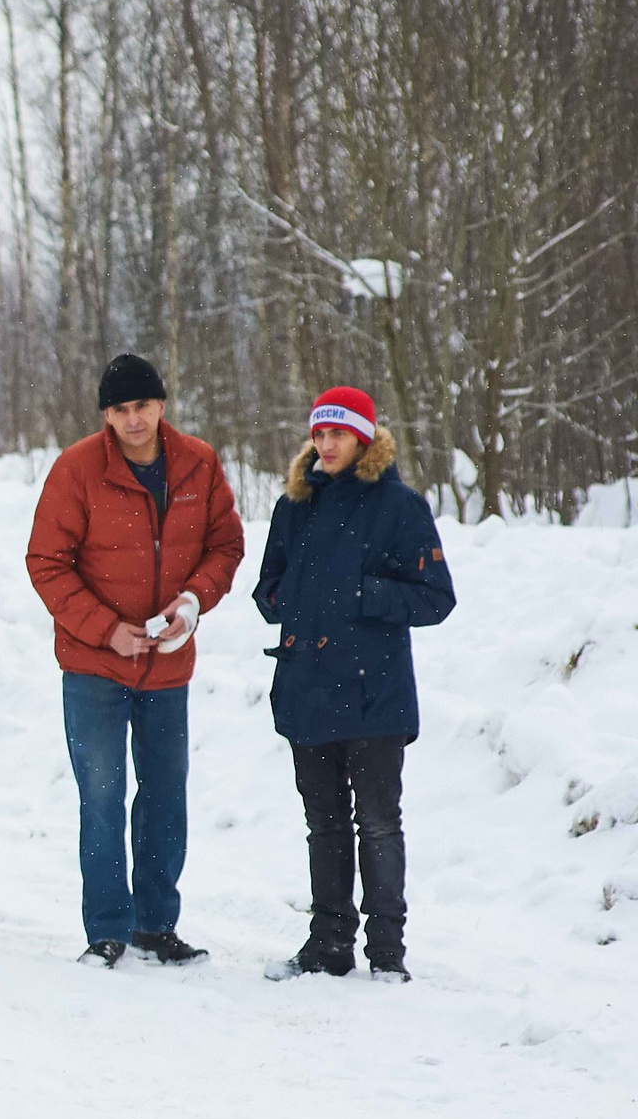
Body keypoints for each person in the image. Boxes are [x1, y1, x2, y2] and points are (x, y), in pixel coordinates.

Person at [27, 353, 244, 967]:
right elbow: (46, 562)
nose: (134, 420)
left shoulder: (199, 463)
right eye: (120, 410)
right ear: (106, 415)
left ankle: (156, 924)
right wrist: (106, 631)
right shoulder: (76, 469)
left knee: (164, 796)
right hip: (94, 666)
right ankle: (107, 929)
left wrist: (193, 602)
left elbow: (225, 545)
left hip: (168, 668)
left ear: (161, 405)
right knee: (101, 795)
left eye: (142, 406)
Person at [254, 386, 455, 982]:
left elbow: (437, 599)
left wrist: (362, 594)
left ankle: (387, 954)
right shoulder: (295, 504)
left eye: (338, 433)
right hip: (307, 687)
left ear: (364, 437)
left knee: (378, 821)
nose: (326, 443)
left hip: (375, 693)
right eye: (319, 433)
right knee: (325, 823)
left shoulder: (399, 506)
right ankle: (328, 944)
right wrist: (295, 599)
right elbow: (267, 591)